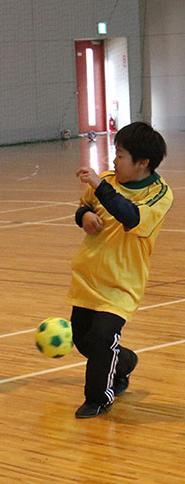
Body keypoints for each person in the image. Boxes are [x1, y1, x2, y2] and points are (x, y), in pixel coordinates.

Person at [67, 122, 173, 418]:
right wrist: (84, 216)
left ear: (142, 163)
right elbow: (84, 207)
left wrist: (100, 187)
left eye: (121, 155)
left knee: (102, 337)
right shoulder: (106, 180)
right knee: (84, 341)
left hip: (122, 283)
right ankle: (124, 362)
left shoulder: (159, 194)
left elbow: (131, 216)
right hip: (88, 277)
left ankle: (98, 398)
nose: (114, 160)